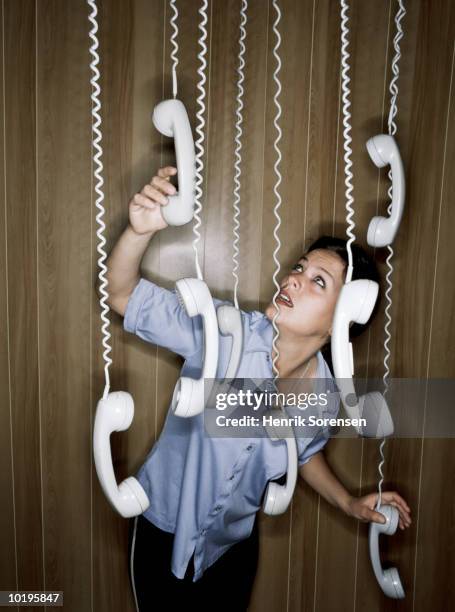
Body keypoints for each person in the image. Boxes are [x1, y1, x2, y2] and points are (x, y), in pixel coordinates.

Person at [103, 166, 411, 611]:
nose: (292, 279)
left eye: (317, 282)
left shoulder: (326, 396)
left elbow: (303, 454)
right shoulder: (226, 335)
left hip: (232, 548)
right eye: (299, 268)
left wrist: (348, 502)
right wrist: (137, 230)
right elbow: (123, 296)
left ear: (340, 324)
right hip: (162, 526)